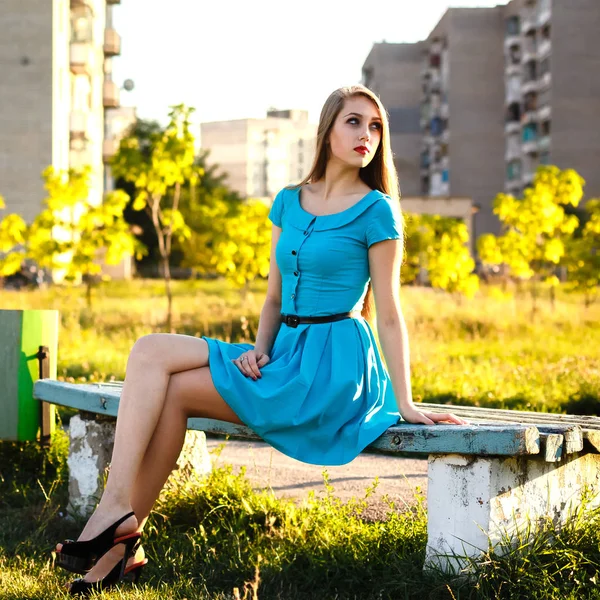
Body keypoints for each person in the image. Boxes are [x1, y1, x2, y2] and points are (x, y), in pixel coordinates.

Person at [54, 84, 467, 595]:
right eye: (354, 122)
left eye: (376, 126)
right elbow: (273, 298)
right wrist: (258, 349)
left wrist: (405, 400)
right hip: (283, 354)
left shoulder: (378, 210)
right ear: (328, 130)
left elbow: (388, 313)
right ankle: (118, 529)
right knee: (149, 352)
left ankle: (115, 530)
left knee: (175, 392)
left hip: (332, 368)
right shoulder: (289, 202)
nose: (367, 135)